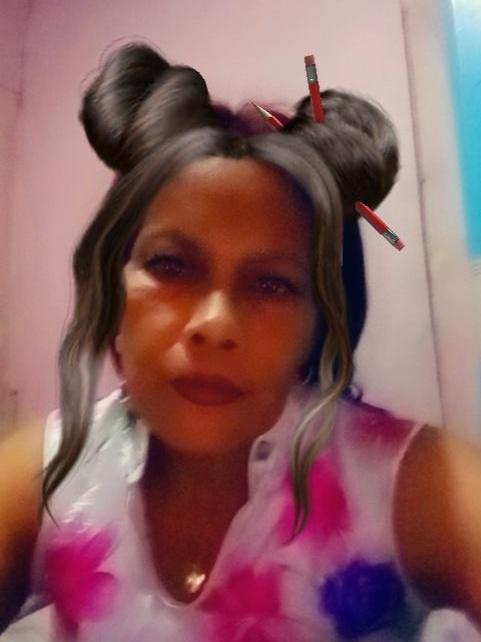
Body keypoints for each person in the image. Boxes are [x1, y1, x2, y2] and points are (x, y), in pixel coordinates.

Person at [1, 42, 481, 641]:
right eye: (171, 266)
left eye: (272, 283)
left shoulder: (407, 484)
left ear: (319, 317)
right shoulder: (48, 475)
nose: (216, 324)